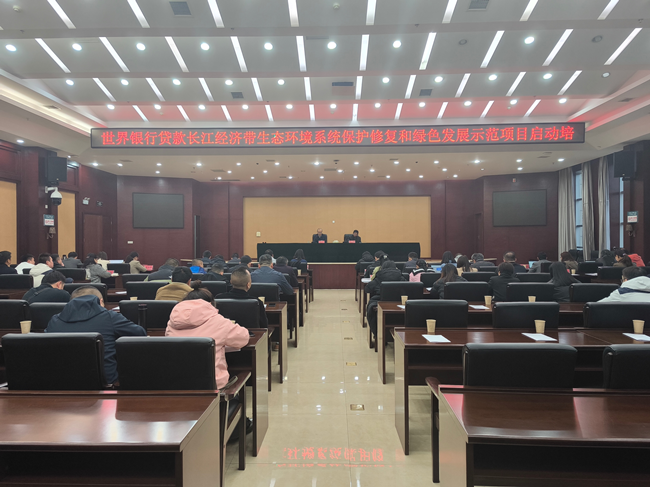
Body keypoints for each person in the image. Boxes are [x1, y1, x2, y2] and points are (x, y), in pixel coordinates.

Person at [45, 286, 146, 384]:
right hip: (105, 384)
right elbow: (140, 334)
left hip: (59, 384)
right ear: (101, 301)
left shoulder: (54, 320)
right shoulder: (110, 317)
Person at [365, 260, 405, 337]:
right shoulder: (401, 276)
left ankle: (377, 334)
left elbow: (367, 289)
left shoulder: (379, 276)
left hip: (380, 301)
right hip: (399, 302)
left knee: (371, 308)